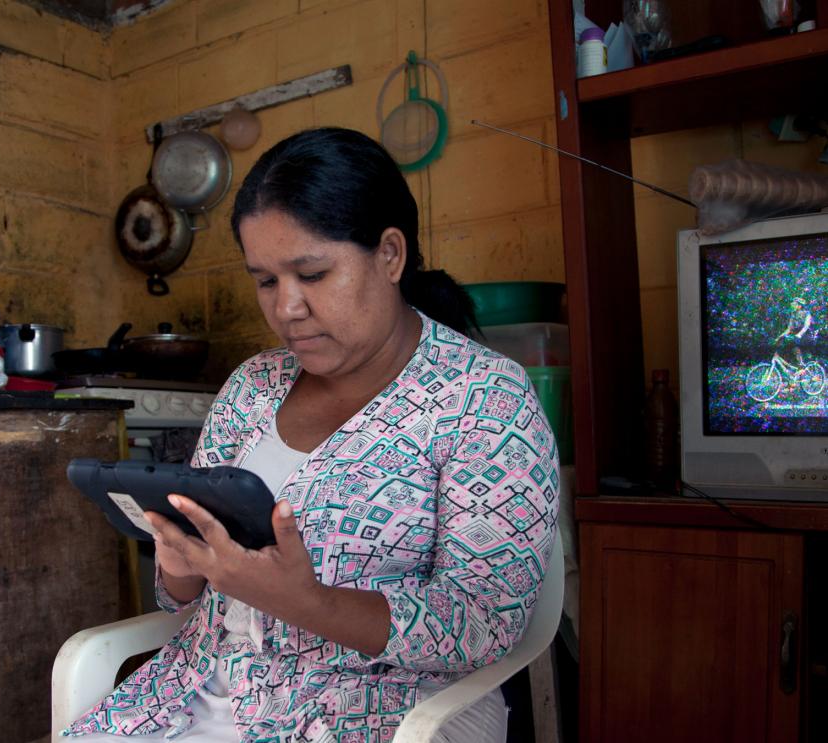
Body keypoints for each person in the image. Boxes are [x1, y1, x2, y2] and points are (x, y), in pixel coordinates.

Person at [62, 128, 560, 742]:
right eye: (266, 281)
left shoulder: (483, 399)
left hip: (379, 714)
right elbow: (184, 598)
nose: (286, 308)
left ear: (390, 255)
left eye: (313, 274)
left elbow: (484, 623)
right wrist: (179, 563)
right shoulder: (252, 387)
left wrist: (306, 602)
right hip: (195, 693)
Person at [775, 296, 812, 368]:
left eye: (795, 304)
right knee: (784, 344)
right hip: (796, 335)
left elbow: (806, 326)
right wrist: (780, 336)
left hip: (806, 335)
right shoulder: (793, 314)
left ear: (800, 306)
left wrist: (799, 334)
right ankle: (792, 364)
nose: (793, 305)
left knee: (794, 344)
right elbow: (789, 329)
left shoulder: (806, 313)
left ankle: (801, 364)